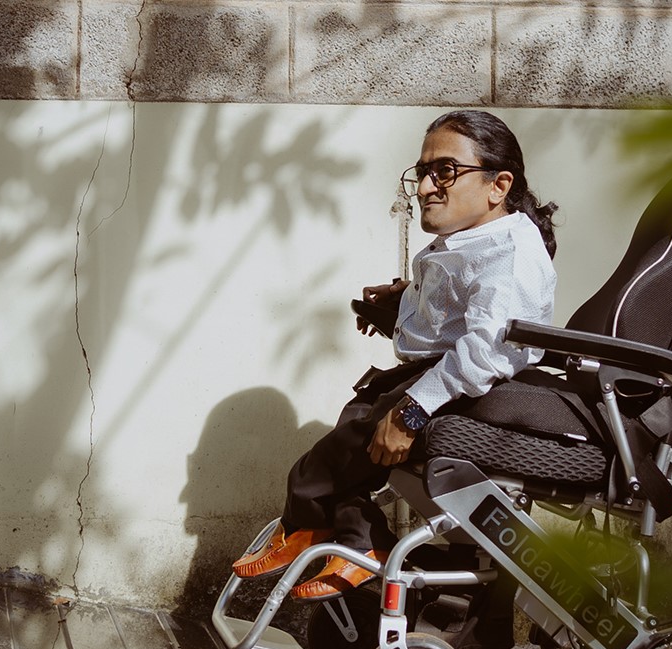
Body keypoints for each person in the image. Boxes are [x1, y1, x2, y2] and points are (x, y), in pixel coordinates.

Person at [233, 110, 559, 601]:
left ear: (499, 185)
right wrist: (406, 299)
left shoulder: (510, 253)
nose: (427, 186)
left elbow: (485, 349)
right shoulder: (478, 239)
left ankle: (303, 525)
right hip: (433, 375)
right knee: (357, 420)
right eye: (423, 172)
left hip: (468, 390)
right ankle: (360, 546)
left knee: (324, 464)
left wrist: (409, 413)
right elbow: (463, 304)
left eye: (445, 171)